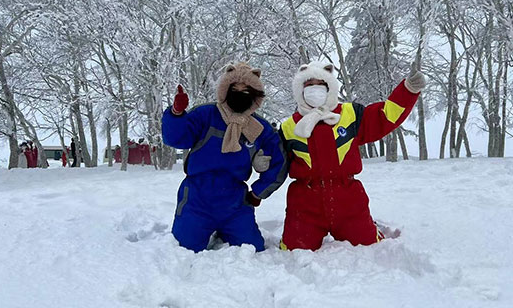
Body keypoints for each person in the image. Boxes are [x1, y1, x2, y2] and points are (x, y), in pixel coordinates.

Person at [279, 61, 426, 251]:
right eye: (309, 85)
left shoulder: (350, 114)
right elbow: (274, 159)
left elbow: (385, 116)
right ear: (300, 90)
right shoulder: (288, 127)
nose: (315, 89)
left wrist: (408, 90)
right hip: (305, 203)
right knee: (292, 251)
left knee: (369, 246)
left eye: (320, 84)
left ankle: (370, 227)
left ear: (330, 87)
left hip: (348, 200)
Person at [162, 62, 288, 252]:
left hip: (235, 199)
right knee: (184, 248)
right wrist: (176, 114)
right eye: (234, 89)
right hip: (197, 196)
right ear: (225, 90)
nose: (240, 94)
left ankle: (226, 230)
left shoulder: (260, 128)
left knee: (252, 248)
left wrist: (258, 192)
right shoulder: (206, 114)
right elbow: (176, 139)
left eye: (246, 91)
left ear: (255, 95)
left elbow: (279, 162)